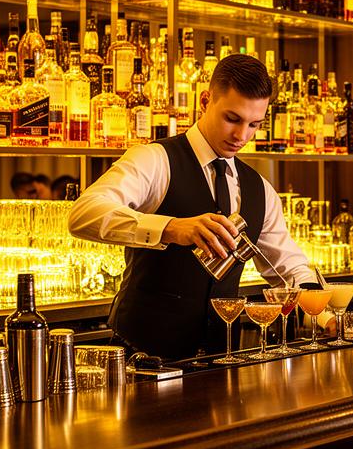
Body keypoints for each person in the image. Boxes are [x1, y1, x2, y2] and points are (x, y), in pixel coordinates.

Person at [69, 54, 323, 360]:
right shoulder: (155, 159)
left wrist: (324, 315)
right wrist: (170, 227)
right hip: (142, 357)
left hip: (219, 358)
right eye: (232, 119)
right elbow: (83, 214)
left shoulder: (259, 189)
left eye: (254, 125)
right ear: (205, 101)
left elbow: (288, 267)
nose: (242, 135)